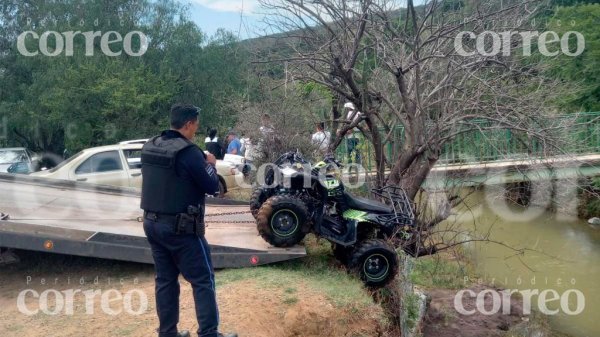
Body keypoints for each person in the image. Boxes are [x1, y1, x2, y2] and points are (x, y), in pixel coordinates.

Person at [140, 104, 237, 337]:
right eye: (195, 125)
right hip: (181, 229)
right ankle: (209, 333)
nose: (196, 130)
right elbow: (212, 186)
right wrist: (211, 164)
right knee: (203, 279)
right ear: (189, 124)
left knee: (165, 280)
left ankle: (168, 333)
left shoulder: (151, 145)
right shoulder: (189, 152)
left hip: (152, 224)